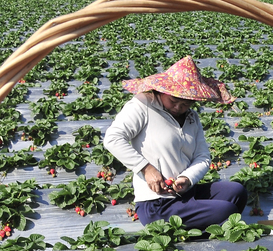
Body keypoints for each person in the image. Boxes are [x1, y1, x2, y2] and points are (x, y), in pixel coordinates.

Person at [105, 56, 246, 229]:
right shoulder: (142, 106)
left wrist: (187, 178)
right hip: (157, 203)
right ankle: (205, 230)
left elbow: (202, 156)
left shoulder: (192, 118)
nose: (179, 107)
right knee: (227, 210)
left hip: (185, 193)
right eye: (173, 101)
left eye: (186, 104)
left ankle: (211, 229)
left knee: (236, 191)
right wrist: (146, 169)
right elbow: (113, 138)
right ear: (162, 90)